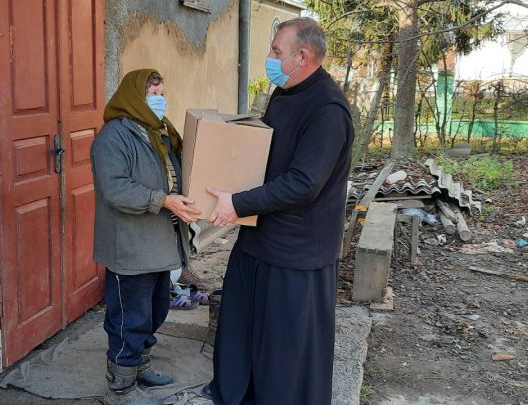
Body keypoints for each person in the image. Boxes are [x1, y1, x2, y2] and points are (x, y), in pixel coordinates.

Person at [204, 18, 354, 405]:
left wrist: (236, 203)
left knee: (283, 344)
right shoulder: (284, 92)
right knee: (243, 324)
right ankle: (238, 391)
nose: (270, 59)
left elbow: (305, 183)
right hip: (259, 236)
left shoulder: (327, 109)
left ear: (301, 57)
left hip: (298, 250)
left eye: (275, 51)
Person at [91, 69, 200, 405]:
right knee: (129, 317)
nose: (159, 97)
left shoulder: (161, 133)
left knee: (155, 311)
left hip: (160, 241)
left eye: (162, 91)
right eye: (153, 91)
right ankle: (119, 389)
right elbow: (116, 189)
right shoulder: (115, 137)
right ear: (134, 95)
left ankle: (138, 367)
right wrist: (162, 200)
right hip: (131, 245)